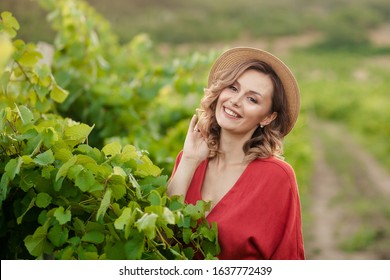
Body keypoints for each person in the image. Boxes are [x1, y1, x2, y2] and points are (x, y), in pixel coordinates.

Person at [168, 47, 305, 260]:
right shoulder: (189, 160)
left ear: (268, 117)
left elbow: (287, 258)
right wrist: (188, 160)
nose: (235, 101)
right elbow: (163, 238)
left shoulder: (278, 177)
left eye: (252, 99)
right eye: (233, 88)